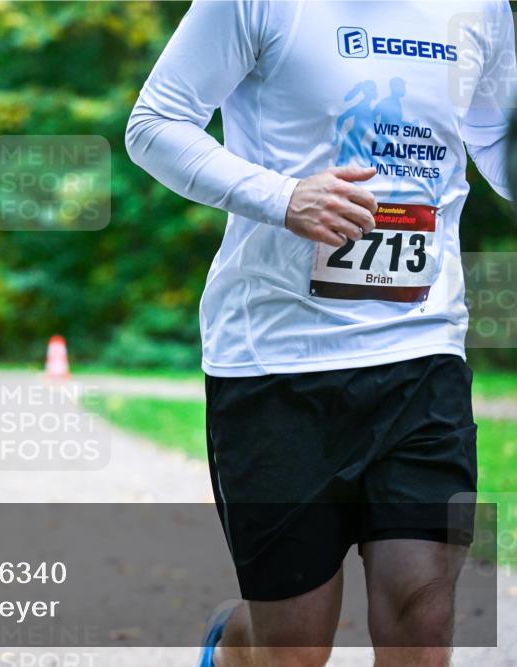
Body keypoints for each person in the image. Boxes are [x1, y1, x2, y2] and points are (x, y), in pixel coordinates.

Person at [126, 3, 513, 667]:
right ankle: (230, 645)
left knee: (423, 625)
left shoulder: (481, 8)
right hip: (276, 361)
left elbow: (498, 138)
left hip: (422, 351)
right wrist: (284, 198)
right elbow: (154, 124)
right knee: (292, 649)